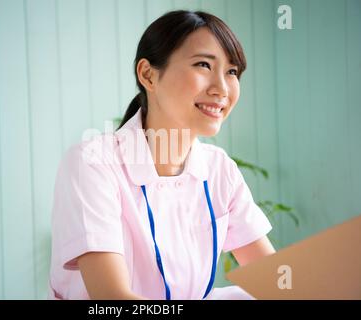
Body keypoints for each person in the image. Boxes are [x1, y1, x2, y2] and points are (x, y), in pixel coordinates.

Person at [48, 10, 275, 300]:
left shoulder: (220, 170)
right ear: (148, 75)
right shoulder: (93, 163)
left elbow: (275, 281)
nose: (222, 89)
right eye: (203, 65)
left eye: (232, 72)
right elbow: (112, 299)